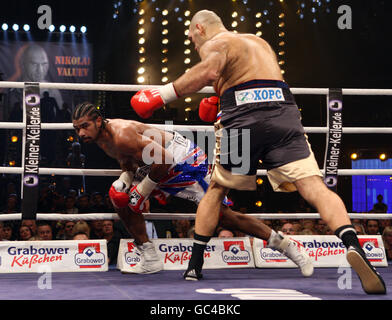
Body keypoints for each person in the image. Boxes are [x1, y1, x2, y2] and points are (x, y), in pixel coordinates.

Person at [130, 10, 386, 294]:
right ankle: (353, 246)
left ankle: (194, 266)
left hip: (242, 119)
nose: (192, 43)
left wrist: (162, 94)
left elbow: (210, 71)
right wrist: (220, 95)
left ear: (201, 28)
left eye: (192, 37)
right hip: (284, 113)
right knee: (313, 185)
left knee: (216, 189)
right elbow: (251, 79)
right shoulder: (258, 42)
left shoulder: (217, 43)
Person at [72, 102, 313, 276]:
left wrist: (142, 191)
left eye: (84, 126)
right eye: (77, 129)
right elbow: (128, 159)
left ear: (98, 121)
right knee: (119, 198)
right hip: (155, 163)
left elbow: (164, 159)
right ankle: (149, 255)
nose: (81, 133)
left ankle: (283, 244)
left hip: (182, 160)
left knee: (222, 216)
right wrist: (126, 180)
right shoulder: (100, 139)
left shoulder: (122, 134)